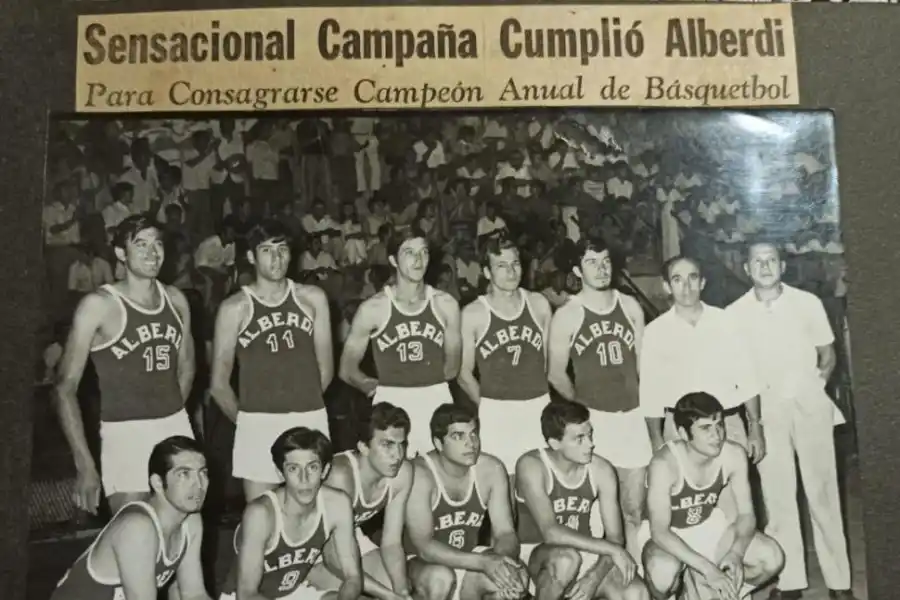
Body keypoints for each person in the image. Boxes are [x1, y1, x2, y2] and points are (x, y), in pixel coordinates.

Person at [727, 241, 856, 600]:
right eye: (757, 261)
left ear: (783, 266)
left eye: (771, 260)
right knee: (778, 496)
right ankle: (790, 582)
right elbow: (738, 370)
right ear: (747, 269)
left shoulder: (807, 303)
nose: (765, 266)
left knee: (824, 493)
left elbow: (827, 355)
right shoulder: (735, 314)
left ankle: (840, 582)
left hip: (809, 404)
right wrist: (754, 418)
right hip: (766, 411)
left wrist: (812, 390)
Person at [55, 215, 196, 515]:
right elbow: (65, 387)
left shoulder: (176, 300)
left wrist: (169, 413)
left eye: (158, 244)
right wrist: (85, 465)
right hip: (125, 434)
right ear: (121, 253)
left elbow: (187, 368)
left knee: (185, 535)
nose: (152, 253)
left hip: (174, 427)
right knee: (135, 538)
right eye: (140, 244)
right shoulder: (99, 305)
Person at [210, 219, 333, 501]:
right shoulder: (234, 308)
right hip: (258, 422)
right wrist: (248, 421)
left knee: (312, 513)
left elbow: (325, 370)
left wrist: (302, 405)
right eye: (267, 250)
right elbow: (218, 384)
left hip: (308, 417)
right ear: (252, 257)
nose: (276, 258)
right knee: (261, 516)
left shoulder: (313, 298)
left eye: (282, 249)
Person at [546, 237, 652, 561]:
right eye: (592, 262)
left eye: (605, 261)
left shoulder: (630, 306)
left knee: (634, 510)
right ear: (578, 269)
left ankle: (637, 584)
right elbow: (555, 373)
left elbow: (644, 367)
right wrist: (582, 410)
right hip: (596, 422)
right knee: (596, 514)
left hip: (632, 419)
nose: (601, 268)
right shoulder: (568, 314)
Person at [638, 255, 765, 522]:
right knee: (686, 513)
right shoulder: (655, 331)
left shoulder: (726, 321)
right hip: (680, 429)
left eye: (693, 277)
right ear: (666, 287)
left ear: (703, 282)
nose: (686, 286)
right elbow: (650, 392)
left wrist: (755, 428)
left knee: (737, 511)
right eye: (677, 279)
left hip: (727, 424)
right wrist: (656, 440)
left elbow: (747, 378)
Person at [640, 392, 785, 600]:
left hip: (706, 525)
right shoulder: (664, 463)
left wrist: (736, 553)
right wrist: (707, 569)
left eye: (719, 425)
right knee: (662, 572)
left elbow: (746, 515)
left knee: (771, 557)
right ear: (682, 432)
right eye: (705, 428)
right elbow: (660, 531)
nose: (717, 435)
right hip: (669, 536)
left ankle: (715, 595)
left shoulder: (733, 454)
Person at [339, 226, 461, 457]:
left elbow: (453, 365)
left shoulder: (446, 304)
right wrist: (373, 386)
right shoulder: (373, 308)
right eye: (409, 253)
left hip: (435, 397)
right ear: (393, 260)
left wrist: (425, 383)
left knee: (436, 476)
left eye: (423, 252)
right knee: (393, 480)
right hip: (391, 401)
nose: (418, 260)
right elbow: (347, 369)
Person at [515, 400, 648, 600]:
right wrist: (612, 549)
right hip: (537, 555)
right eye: (579, 439)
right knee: (566, 559)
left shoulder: (601, 469)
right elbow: (550, 532)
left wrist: (594, 577)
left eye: (590, 435)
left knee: (636, 592)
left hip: (586, 551)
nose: (590, 444)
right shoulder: (532, 465)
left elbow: (615, 537)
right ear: (555, 443)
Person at [51, 436, 211, 600]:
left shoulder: (190, 521)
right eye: (184, 474)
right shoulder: (137, 528)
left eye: (203, 473)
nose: (198, 484)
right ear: (157, 482)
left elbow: (194, 594)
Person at [218, 427, 362, 600]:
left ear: (325, 470)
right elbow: (247, 594)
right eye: (294, 469)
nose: (304, 479)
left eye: (313, 467)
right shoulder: (261, 514)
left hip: (294, 593)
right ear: (281, 473)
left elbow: (353, 577)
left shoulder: (337, 503)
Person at [404, 403, 528, 600]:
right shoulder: (419, 475)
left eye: (473, 434)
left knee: (516, 579)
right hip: (419, 566)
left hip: (469, 559)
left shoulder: (491, 469)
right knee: (440, 578)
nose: (471, 443)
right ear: (438, 443)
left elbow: (505, 533)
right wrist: (483, 563)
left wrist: (502, 564)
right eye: (458, 436)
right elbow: (424, 547)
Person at [458, 236, 553, 475]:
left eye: (515, 264)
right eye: (501, 266)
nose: (511, 272)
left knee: (541, 485)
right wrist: (488, 406)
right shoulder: (473, 313)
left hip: (538, 406)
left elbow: (551, 362)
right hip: (497, 412)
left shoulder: (539, 303)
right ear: (487, 272)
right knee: (503, 488)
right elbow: (462, 372)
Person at [307, 403, 415, 600]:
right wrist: (389, 596)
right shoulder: (339, 476)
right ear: (363, 447)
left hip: (349, 541)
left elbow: (391, 543)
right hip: (309, 552)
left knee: (399, 584)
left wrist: (402, 592)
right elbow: (332, 557)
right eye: (387, 445)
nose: (398, 455)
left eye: (402, 444)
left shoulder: (402, 472)